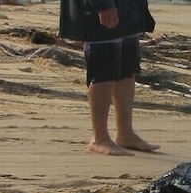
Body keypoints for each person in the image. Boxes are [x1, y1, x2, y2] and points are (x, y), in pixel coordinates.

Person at [60, 0, 158, 156]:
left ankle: (125, 134)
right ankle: (99, 138)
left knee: (127, 69)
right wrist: (103, 5)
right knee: (104, 71)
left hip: (127, 9)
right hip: (96, 10)